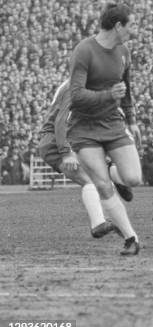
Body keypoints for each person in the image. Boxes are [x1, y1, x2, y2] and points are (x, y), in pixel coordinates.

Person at [67, 3, 142, 256]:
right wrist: (108, 95)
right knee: (102, 185)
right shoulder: (84, 51)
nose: (135, 30)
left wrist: (131, 119)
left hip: (113, 124)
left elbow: (127, 89)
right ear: (118, 26)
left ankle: (113, 170)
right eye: (132, 25)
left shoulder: (124, 52)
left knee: (133, 178)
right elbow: (75, 96)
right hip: (84, 128)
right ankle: (131, 238)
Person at [38, 80, 133, 238]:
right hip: (56, 140)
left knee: (99, 172)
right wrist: (65, 151)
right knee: (89, 180)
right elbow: (61, 121)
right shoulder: (76, 86)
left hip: (71, 137)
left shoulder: (85, 84)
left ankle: (116, 178)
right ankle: (98, 223)